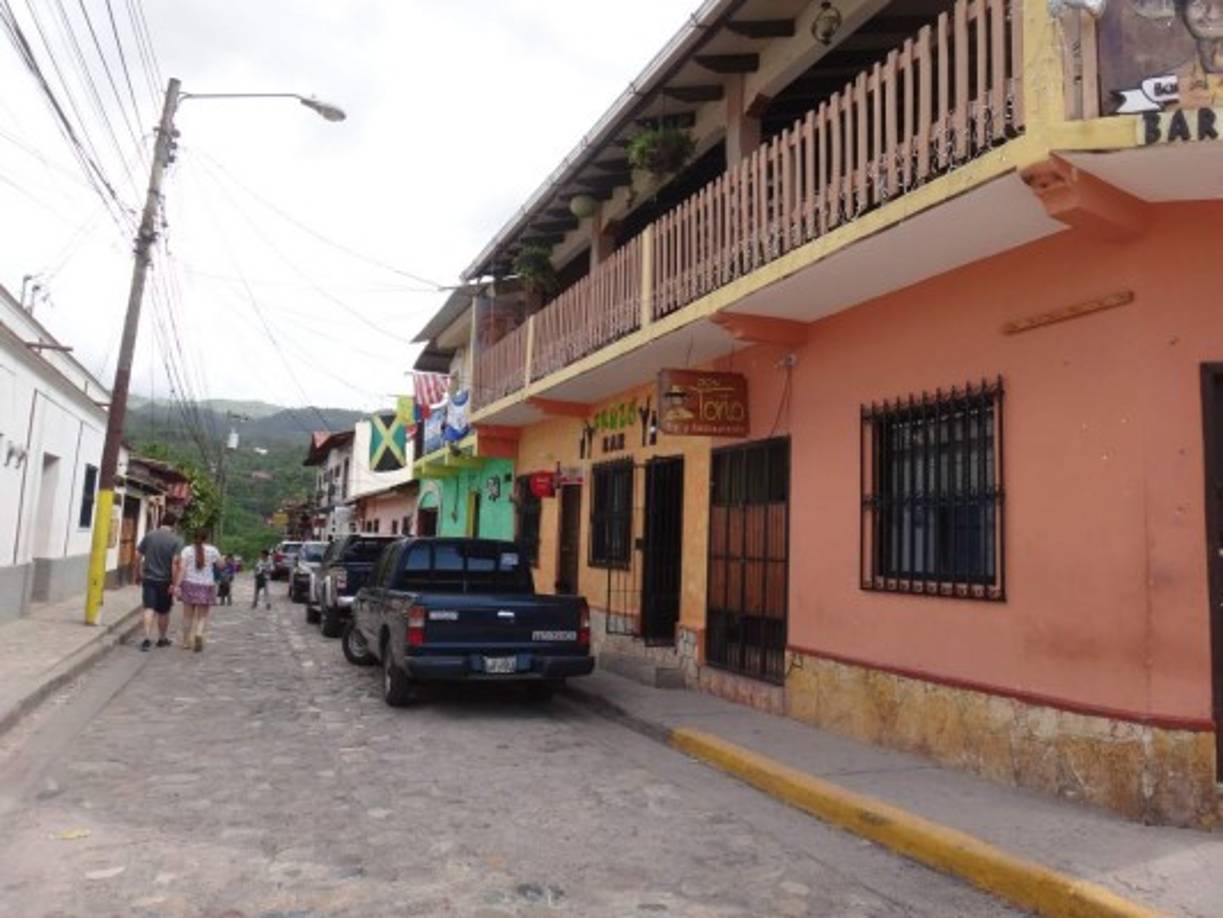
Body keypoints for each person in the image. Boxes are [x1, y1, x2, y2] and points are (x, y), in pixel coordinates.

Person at [135, 512, 183, 651]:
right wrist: (174, 583)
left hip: (149, 578)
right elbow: (175, 563)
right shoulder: (176, 540)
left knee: (149, 608)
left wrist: (138, 573)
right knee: (163, 611)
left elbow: (137, 555)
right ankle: (162, 638)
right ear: (174, 524)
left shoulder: (150, 535)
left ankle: (146, 638)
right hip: (165, 580)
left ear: (162, 521)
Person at [173, 530, 222, 652]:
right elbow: (221, 565)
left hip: (189, 584)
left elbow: (182, 568)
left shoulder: (187, 550)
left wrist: (177, 585)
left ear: (193, 537)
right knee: (202, 616)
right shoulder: (213, 550)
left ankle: (185, 642)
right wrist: (222, 559)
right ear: (207, 538)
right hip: (206, 585)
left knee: (187, 616)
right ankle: (199, 634)